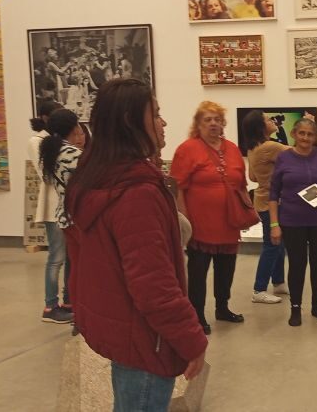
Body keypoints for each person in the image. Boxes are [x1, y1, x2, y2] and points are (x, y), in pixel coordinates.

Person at [64, 79, 207, 412]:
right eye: (156, 113)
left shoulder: (99, 178)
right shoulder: (135, 193)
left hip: (125, 332)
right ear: (131, 122)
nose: (163, 121)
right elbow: (153, 285)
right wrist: (192, 340)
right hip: (146, 340)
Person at [171, 101, 246, 335]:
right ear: (198, 124)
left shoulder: (232, 148)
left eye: (217, 119)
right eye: (207, 119)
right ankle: (197, 314)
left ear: (223, 123)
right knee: (198, 272)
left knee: (226, 269)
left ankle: (222, 307)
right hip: (200, 224)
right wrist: (184, 219)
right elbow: (178, 186)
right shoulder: (187, 149)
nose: (213, 123)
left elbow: (240, 182)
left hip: (228, 223)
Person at [269, 119, 317, 327]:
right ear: (294, 134)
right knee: (297, 264)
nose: (305, 138)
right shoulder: (284, 158)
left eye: (310, 134)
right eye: (301, 133)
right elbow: (273, 193)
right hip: (292, 221)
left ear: (315, 137)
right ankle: (295, 308)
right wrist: (274, 225)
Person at [27, 100, 73, 324]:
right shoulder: (38, 142)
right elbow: (46, 173)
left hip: (66, 206)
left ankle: (68, 301)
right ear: (46, 118)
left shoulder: (59, 142)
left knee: (70, 256)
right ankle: (50, 305)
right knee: (56, 257)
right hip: (53, 206)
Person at [241, 110, 290, 304]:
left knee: (278, 243)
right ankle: (259, 289)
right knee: (272, 245)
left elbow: (252, 177)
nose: (273, 121)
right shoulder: (270, 146)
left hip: (262, 200)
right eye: (268, 119)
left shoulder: (253, 148)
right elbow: (298, 152)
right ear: (261, 127)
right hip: (273, 202)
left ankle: (278, 282)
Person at [39, 108, 84, 231]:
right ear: (74, 127)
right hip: (78, 216)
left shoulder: (52, 152)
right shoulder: (71, 153)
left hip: (64, 214)